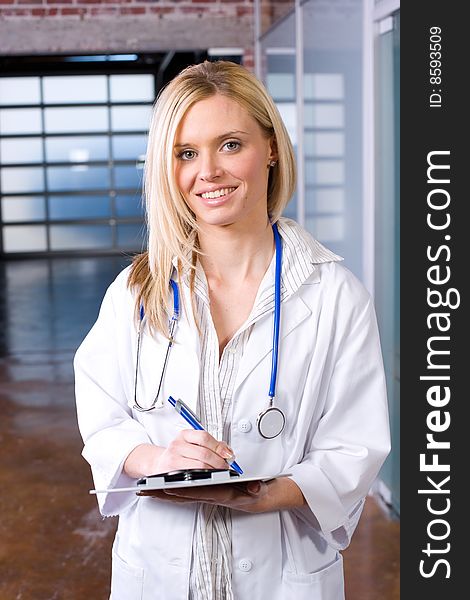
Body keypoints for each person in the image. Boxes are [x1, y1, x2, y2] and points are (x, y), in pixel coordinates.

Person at [74, 60, 390, 600]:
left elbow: (353, 448)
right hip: (158, 570)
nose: (209, 172)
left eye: (230, 144)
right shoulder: (137, 290)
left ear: (270, 146)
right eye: (186, 153)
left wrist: (265, 495)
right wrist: (158, 460)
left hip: (281, 572)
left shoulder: (334, 296)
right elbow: (102, 418)